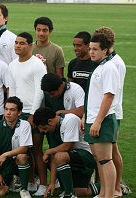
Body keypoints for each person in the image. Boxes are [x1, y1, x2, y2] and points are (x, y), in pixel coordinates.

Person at [81, 32, 119, 198]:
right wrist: (86, 117)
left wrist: (97, 122)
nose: (91, 52)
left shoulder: (109, 68)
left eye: (95, 49)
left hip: (101, 120)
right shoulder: (100, 66)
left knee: (105, 160)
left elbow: (109, 96)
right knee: (99, 158)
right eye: (90, 49)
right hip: (93, 119)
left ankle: (109, 195)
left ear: (105, 50)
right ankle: (103, 193)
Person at [8, 32, 47, 194]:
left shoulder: (37, 65)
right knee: (24, 150)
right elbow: (12, 90)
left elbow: (40, 90)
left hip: (34, 113)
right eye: (16, 42)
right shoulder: (12, 65)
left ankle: (43, 184)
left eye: (22, 43)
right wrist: (11, 111)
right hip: (19, 114)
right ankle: (30, 182)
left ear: (30, 46)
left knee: (36, 149)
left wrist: (33, 114)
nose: (17, 45)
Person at [33, 107, 96, 198]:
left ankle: (69, 194)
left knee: (59, 156)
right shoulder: (55, 128)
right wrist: (52, 183)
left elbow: (68, 146)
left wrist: (48, 151)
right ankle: (109, 186)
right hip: (74, 158)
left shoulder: (70, 119)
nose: (45, 131)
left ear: (50, 121)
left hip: (87, 156)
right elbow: (54, 156)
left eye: (45, 128)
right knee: (81, 192)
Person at [94, 27, 127, 197]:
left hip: (112, 111)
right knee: (106, 153)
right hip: (107, 111)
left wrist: (101, 117)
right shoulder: (107, 61)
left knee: (112, 151)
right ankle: (105, 189)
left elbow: (112, 92)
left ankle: (116, 187)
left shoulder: (115, 63)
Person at [0, 96, 33, 198]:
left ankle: (24, 189)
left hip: (17, 161)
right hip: (2, 165)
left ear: (19, 112)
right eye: (6, 109)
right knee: (0, 193)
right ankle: (10, 182)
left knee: (22, 156)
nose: (8, 113)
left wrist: (6, 154)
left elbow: (24, 148)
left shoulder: (25, 125)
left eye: (12, 110)